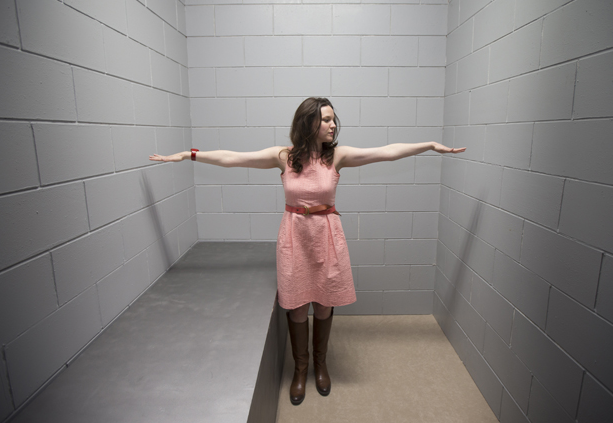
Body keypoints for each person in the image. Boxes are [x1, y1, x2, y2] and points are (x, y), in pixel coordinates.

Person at [149, 97, 466, 406]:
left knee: (325, 304)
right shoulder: (283, 156)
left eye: (332, 119)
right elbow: (232, 157)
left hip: (327, 236)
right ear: (309, 123)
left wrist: (428, 145)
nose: (333, 124)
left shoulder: (337, 157)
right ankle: (300, 370)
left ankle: (320, 364)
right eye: (326, 119)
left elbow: (386, 152)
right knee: (298, 306)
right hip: (294, 236)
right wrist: (188, 155)